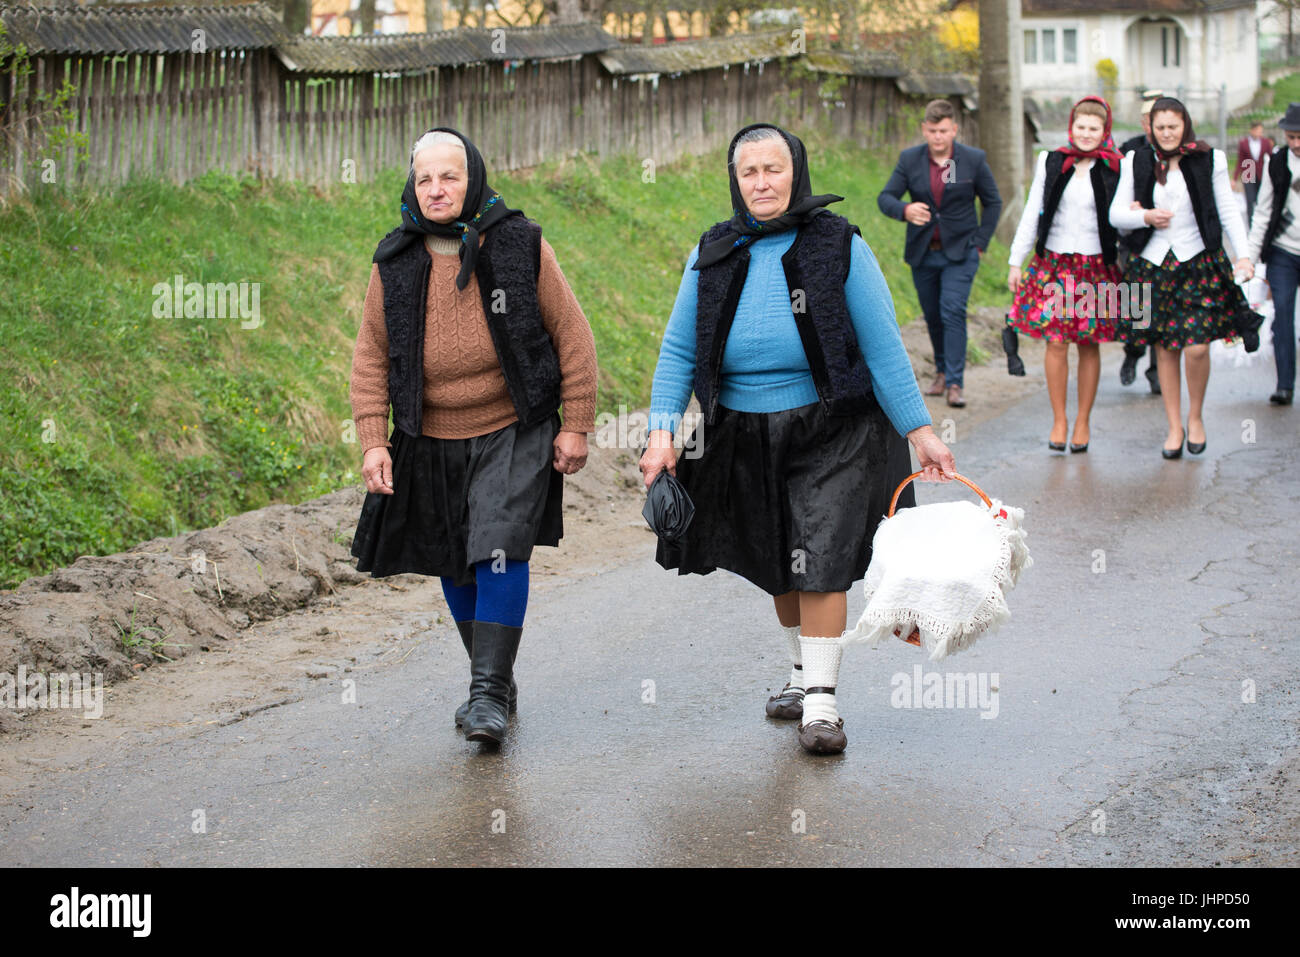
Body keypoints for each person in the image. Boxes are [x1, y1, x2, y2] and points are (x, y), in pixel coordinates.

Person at [639, 123, 956, 756]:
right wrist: (661, 429)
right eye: (749, 171)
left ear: (796, 172)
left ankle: (823, 705)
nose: (761, 182)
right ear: (736, 179)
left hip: (832, 425)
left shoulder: (839, 245)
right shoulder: (713, 250)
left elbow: (883, 346)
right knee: (775, 555)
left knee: (821, 556)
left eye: (773, 169)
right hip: (741, 428)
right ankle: (801, 674)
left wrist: (921, 430)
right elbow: (678, 348)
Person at [349, 127, 598, 746]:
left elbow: (573, 334)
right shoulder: (395, 260)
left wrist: (578, 422)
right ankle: (495, 681)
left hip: (513, 423)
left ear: (473, 178)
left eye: (450, 176)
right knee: (453, 557)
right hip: (427, 432)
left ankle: (486, 694)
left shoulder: (519, 243)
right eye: (425, 178)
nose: (437, 189)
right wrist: (373, 440)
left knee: (499, 545)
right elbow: (370, 357)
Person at [1109, 98, 1261, 459]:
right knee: (1165, 346)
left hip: (1198, 262)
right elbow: (1116, 213)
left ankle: (1196, 417)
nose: (1166, 134)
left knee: (1197, 345)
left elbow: (1227, 210)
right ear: (1151, 128)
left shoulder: (1210, 159)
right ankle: (1174, 426)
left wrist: (1243, 255)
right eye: (1159, 128)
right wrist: (1144, 216)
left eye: (1172, 127)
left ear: (1185, 126)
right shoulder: (1137, 160)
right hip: (1152, 265)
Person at [1006, 95, 1124, 453]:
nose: (1086, 134)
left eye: (1094, 128)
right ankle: (1059, 419)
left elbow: (1126, 218)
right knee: (1056, 342)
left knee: (1088, 344)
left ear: (1104, 131)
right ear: (1071, 127)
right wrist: (1016, 260)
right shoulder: (1052, 160)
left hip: (1095, 266)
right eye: (1080, 127)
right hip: (1054, 264)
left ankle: (1083, 421)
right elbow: (1032, 212)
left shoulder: (1116, 166)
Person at [877, 99, 1003, 408]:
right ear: (924, 129)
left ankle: (956, 382)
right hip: (923, 252)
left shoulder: (973, 160)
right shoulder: (910, 160)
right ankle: (942, 372)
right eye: (932, 131)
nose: (937, 137)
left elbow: (993, 202)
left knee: (952, 310)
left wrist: (981, 242)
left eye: (943, 130)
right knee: (933, 315)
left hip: (961, 253)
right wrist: (905, 209)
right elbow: (885, 197)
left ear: (954, 129)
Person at [1245, 102, 1300, 406]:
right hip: (1283, 253)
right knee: (1283, 315)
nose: (1295, 144)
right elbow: (1263, 213)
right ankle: (1285, 385)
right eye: (1291, 137)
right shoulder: (1276, 163)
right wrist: (1249, 259)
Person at [1117, 89, 1165, 394]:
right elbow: (1116, 193)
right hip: (1136, 242)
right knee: (1138, 309)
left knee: (1163, 314)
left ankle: (1157, 371)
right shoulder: (1130, 150)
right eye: (1150, 121)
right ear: (1144, 123)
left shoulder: (1182, 154)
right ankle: (1132, 355)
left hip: (1168, 244)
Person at [1236, 120, 1274, 225]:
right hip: (1248, 173)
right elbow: (1240, 160)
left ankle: (1260, 223)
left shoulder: (1266, 142)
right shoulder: (1243, 143)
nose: (1259, 133)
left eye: (1261, 131)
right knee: (1250, 200)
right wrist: (1234, 178)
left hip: (1261, 174)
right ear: (1251, 130)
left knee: (1261, 200)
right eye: (1257, 130)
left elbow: (1271, 158)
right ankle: (1251, 224)